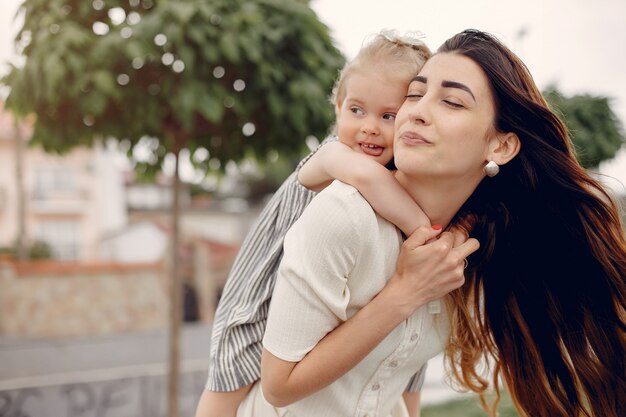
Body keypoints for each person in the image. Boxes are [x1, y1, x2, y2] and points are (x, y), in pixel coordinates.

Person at [244, 29, 626, 417]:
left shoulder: (470, 241)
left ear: (501, 146)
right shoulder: (343, 215)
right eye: (414, 94)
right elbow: (279, 385)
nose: (417, 111)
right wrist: (405, 292)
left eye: (452, 102)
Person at [195, 32, 433, 417]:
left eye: (387, 116)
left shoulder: (398, 175)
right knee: (226, 383)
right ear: (338, 107)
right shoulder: (333, 156)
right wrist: (429, 235)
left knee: (409, 346)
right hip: (257, 297)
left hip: (315, 297)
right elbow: (371, 181)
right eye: (357, 110)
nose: (370, 126)